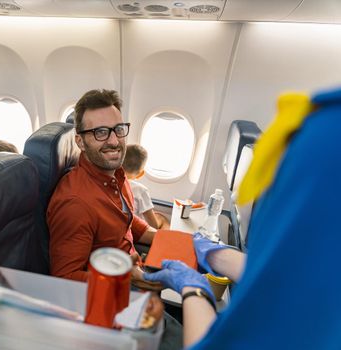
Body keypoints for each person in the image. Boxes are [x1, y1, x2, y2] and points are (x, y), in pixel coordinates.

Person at [143, 88, 341, 349]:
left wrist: (193, 289)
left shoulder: (326, 144)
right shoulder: (325, 131)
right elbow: (289, 277)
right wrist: (216, 255)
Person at [47, 89, 157, 282]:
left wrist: (174, 241)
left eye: (119, 129)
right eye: (101, 132)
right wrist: (124, 277)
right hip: (116, 291)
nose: (114, 141)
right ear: (80, 142)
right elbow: (65, 277)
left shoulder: (117, 176)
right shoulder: (75, 204)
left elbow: (126, 222)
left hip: (135, 267)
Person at [123, 144, 170, 229]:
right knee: (161, 218)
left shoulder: (111, 182)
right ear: (141, 174)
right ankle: (163, 241)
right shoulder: (141, 190)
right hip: (135, 230)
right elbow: (153, 225)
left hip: (119, 224)